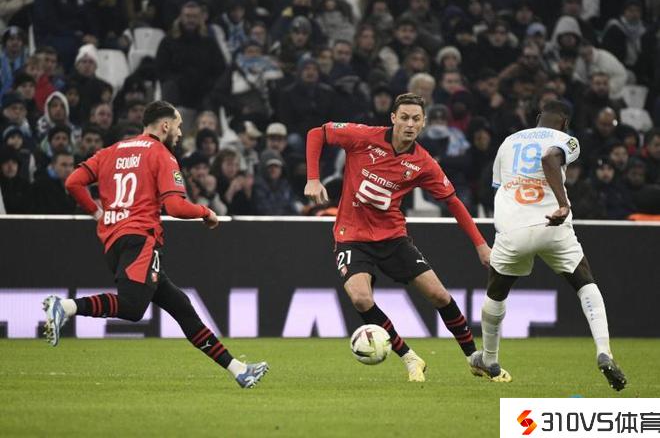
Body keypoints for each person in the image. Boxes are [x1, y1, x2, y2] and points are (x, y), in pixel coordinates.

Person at [42, 101, 268, 389]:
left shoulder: (112, 151)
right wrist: (206, 212)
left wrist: (98, 214)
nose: (180, 132)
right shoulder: (161, 154)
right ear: (165, 125)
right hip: (141, 240)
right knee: (133, 307)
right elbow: (175, 206)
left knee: (181, 306)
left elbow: (73, 182)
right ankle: (66, 306)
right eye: (178, 126)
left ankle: (239, 370)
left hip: (115, 242)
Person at [304, 93, 491, 382]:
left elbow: (453, 202)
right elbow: (317, 133)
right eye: (404, 117)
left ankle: (474, 357)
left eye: (416, 119)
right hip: (351, 235)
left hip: (392, 237)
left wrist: (481, 245)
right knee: (360, 298)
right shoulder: (363, 137)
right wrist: (313, 178)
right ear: (393, 118)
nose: (410, 124)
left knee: (439, 295)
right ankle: (409, 357)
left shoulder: (423, 163)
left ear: (423, 123)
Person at [475, 100, 626, 390]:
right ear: (565, 123)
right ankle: (604, 351)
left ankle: (490, 359)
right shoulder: (567, 140)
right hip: (553, 224)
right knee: (585, 282)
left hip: (513, 228)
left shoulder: (508, 142)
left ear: (537, 118)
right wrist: (563, 203)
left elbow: (497, 188)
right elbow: (550, 157)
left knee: (496, 291)